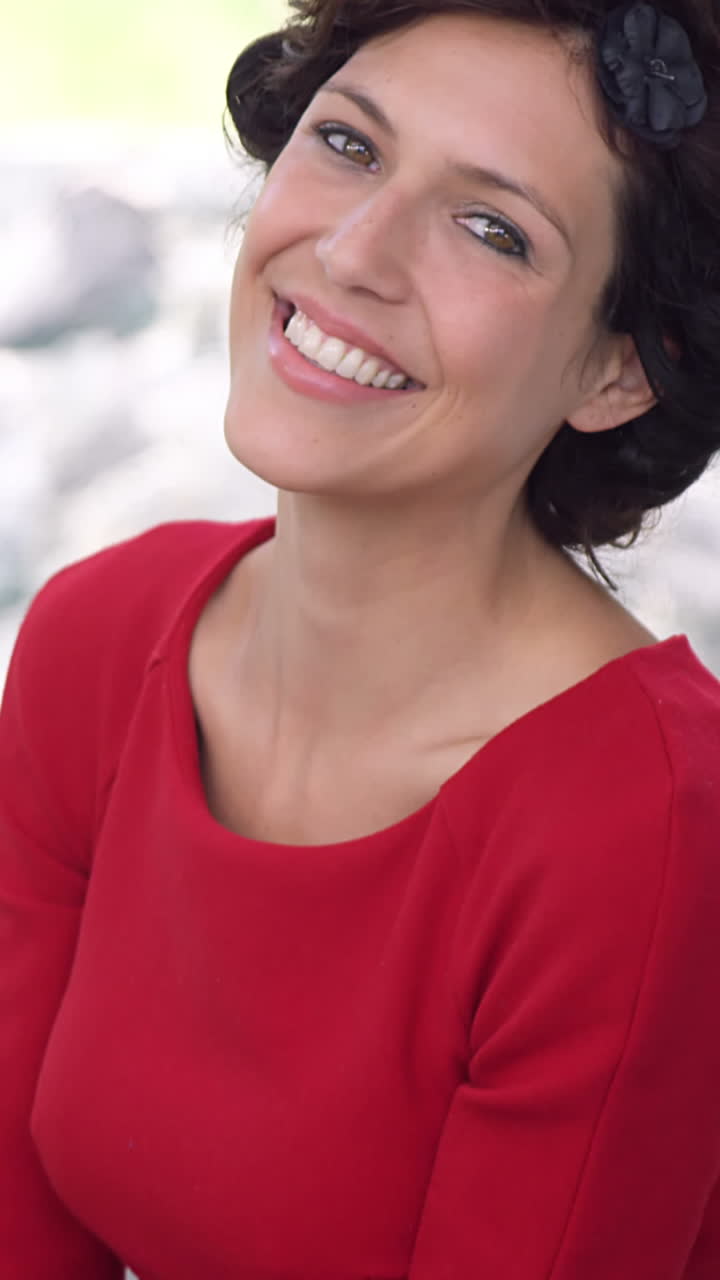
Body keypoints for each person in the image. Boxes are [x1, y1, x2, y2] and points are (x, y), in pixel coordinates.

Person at [3, 0, 720, 1275]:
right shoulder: (94, 644)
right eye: (349, 144)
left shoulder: (649, 827)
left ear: (618, 369)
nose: (351, 250)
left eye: (493, 229)